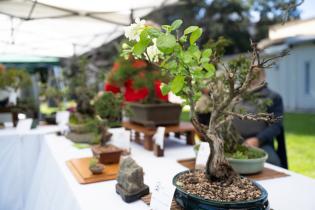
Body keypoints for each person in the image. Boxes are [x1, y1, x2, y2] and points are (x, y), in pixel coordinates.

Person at [233, 69, 283, 166]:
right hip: (233, 142)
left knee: (272, 163)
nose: (253, 77)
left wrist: (258, 140)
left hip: (261, 144)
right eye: (250, 73)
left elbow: (276, 126)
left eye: (257, 74)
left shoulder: (273, 97)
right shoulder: (235, 95)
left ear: (264, 77)